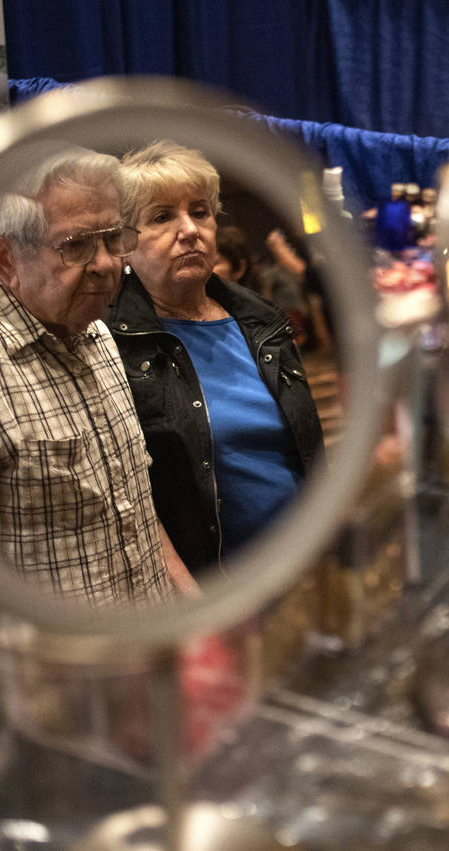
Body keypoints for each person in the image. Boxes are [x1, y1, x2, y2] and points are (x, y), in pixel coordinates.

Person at [0, 145, 197, 605]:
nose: (106, 264)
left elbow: (131, 512)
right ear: (4, 258)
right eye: (77, 245)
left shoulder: (97, 337)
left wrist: (195, 612)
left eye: (112, 238)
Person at [109, 140, 324, 576]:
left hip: (309, 566)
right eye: (162, 217)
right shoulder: (111, 344)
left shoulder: (261, 321)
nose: (190, 229)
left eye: (200, 211)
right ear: (124, 245)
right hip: (216, 586)